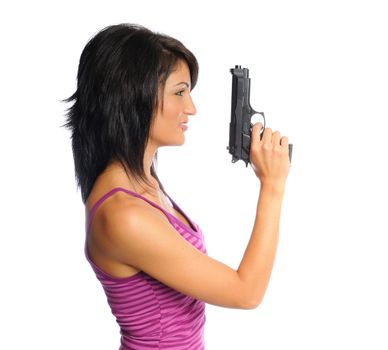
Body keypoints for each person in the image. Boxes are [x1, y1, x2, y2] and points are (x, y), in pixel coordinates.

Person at [63, 23, 290, 349]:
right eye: (179, 92)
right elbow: (246, 292)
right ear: (134, 97)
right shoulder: (124, 215)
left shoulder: (142, 181)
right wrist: (273, 184)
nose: (192, 108)